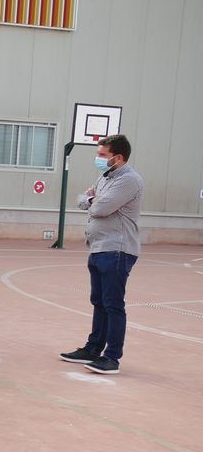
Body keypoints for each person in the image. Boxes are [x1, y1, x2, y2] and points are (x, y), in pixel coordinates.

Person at [61, 134, 144, 375]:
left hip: (117, 249)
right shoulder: (106, 177)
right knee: (99, 302)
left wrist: (93, 200)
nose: (98, 158)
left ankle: (112, 357)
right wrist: (91, 198)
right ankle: (93, 348)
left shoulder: (129, 180)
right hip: (99, 247)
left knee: (113, 304)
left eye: (102, 155)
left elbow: (100, 208)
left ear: (118, 158)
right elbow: (82, 201)